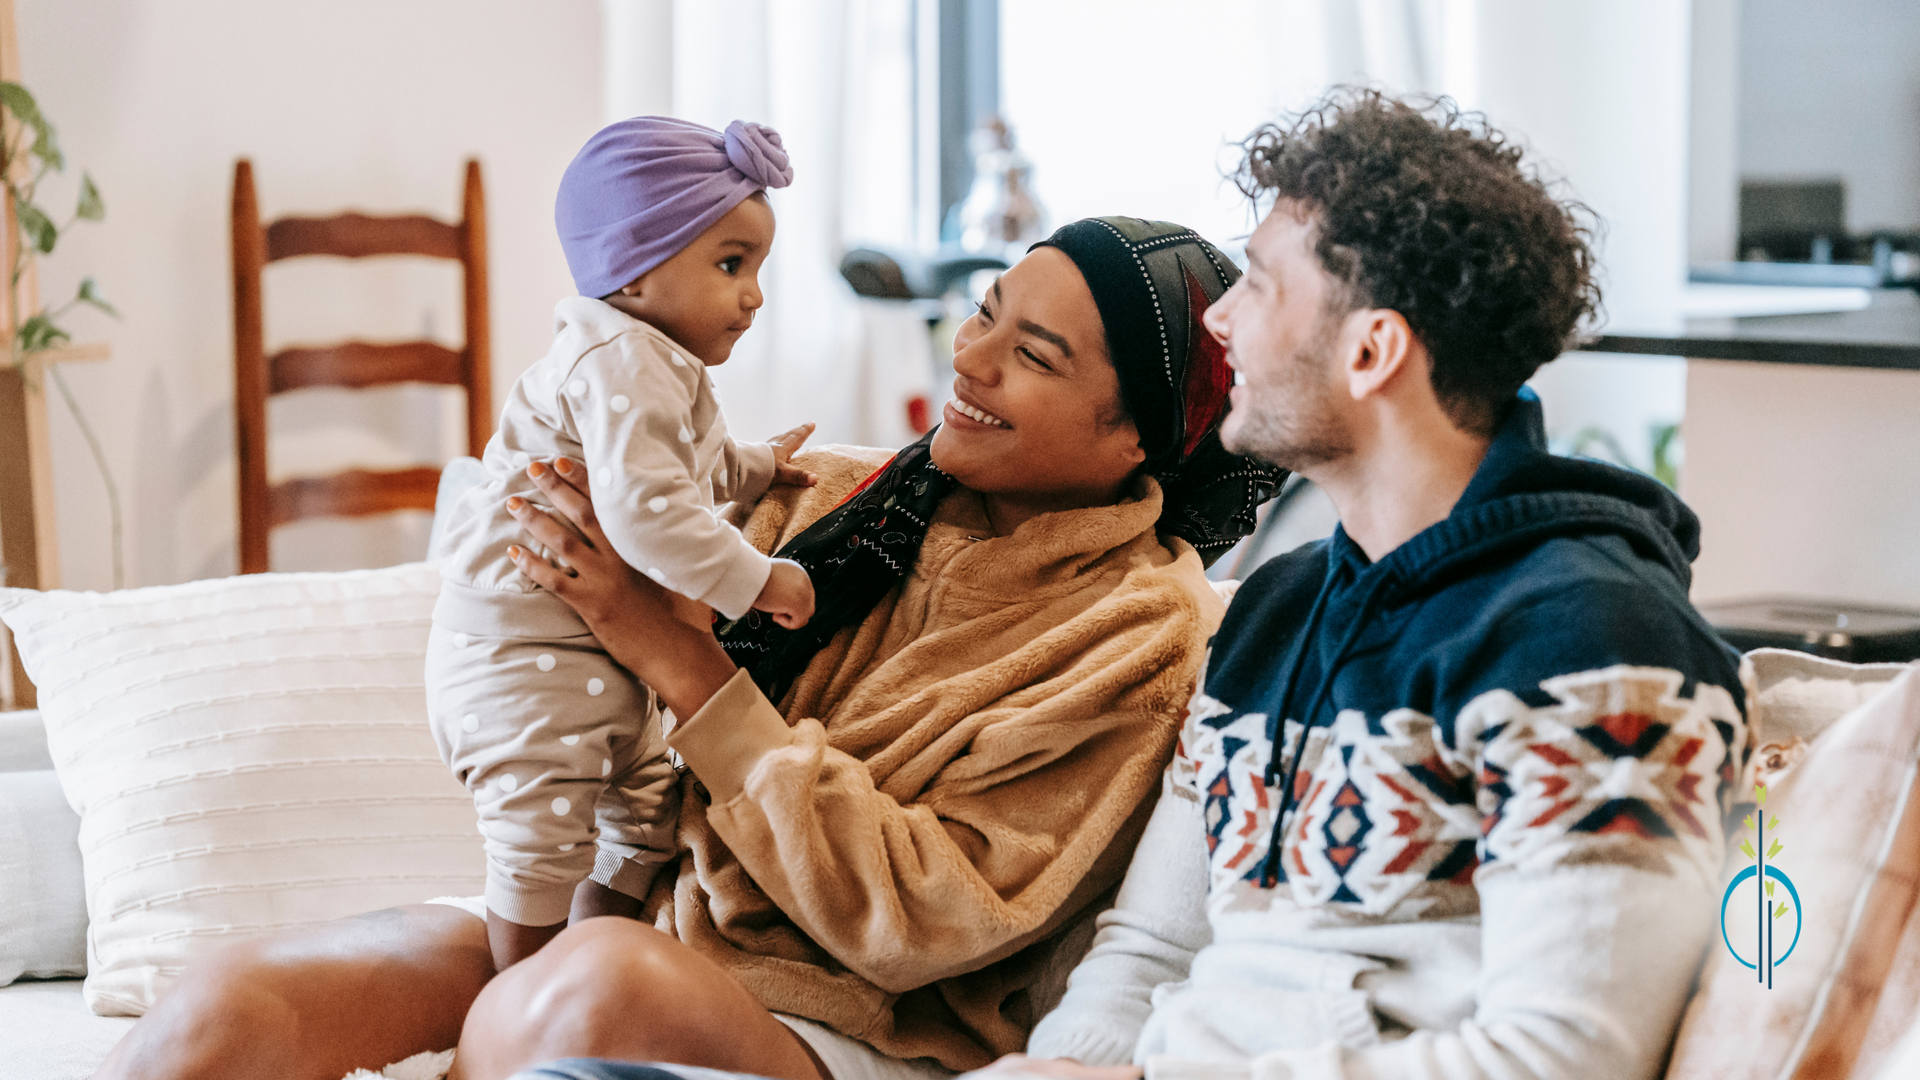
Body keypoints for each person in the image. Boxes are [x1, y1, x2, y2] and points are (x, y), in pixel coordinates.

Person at [91, 218, 1282, 1080]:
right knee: (228, 1011)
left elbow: (931, 918)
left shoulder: (1145, 634)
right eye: (986, 314)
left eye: (1035, 356)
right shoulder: (845, 498)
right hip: (647, 926)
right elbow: (588, 639)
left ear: (1141, 438)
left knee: (579, 996)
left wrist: (683, 665)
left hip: (851, 1023)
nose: (967, 361)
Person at [1003, 90, 1749, 1080]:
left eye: (1261, 288)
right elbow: (1145, 954)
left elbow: (1563, 1058)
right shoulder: (1278, 608)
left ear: (1373, 351)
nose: (1220, 318)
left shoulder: (1590, 640)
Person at [428, 115, 820, 972]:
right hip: (519, 659)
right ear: (636, 272)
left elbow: (680, 471)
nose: (754, 294)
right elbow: (649, 517)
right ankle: (520, 996)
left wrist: (752, 469)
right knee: (541, 840)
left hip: (582, 658)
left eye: (757, 267)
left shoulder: (654, 361)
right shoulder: (621, 361)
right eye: (731, 264)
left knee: (647, 812)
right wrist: (760, 582)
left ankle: (586, 955)